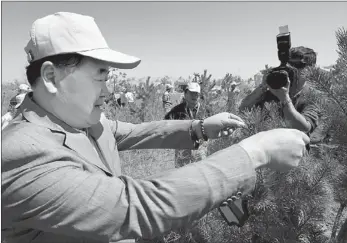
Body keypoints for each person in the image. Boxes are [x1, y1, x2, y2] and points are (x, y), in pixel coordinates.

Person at [2, 12, 310, 243]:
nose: (109, 92)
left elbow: (136, 132)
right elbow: (132, 206)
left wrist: (200, 127)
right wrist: (254, 154)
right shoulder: (22, 154)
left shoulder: (82, 122)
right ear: (52, 78)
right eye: (100, 76)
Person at [239, 46, 321, 135]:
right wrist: (262, 87)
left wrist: (285, 99)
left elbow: (304, 127)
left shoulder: (313, 95)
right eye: (289, 64)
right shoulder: (275, 87)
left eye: (298, 65)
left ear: (311, 69)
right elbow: (243, 109)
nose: (292, 69)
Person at [164, 82, 205, 167]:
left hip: (200, 149)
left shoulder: (205, 110)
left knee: (200, 173)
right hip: (182, 150)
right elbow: (166, 125)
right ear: (185, 94)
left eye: (196, 93)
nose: (194, 96)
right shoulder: (176, 111)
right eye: (192, 93)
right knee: (181, 175)